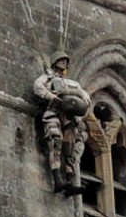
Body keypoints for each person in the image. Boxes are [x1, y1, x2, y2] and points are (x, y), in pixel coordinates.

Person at [33, 51, 92, 195]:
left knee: (70, 148)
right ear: (54, 62)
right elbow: (38, 87)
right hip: (54, 113)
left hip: (69, 117)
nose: (64, 62)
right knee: (55, 142)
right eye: (61, 60)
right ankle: (58, 180)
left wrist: (84, 103)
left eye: (65, 61)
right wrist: (51, 97)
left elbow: (85, 96)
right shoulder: (47, 77)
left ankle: (71, 181)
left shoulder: (72, 84)